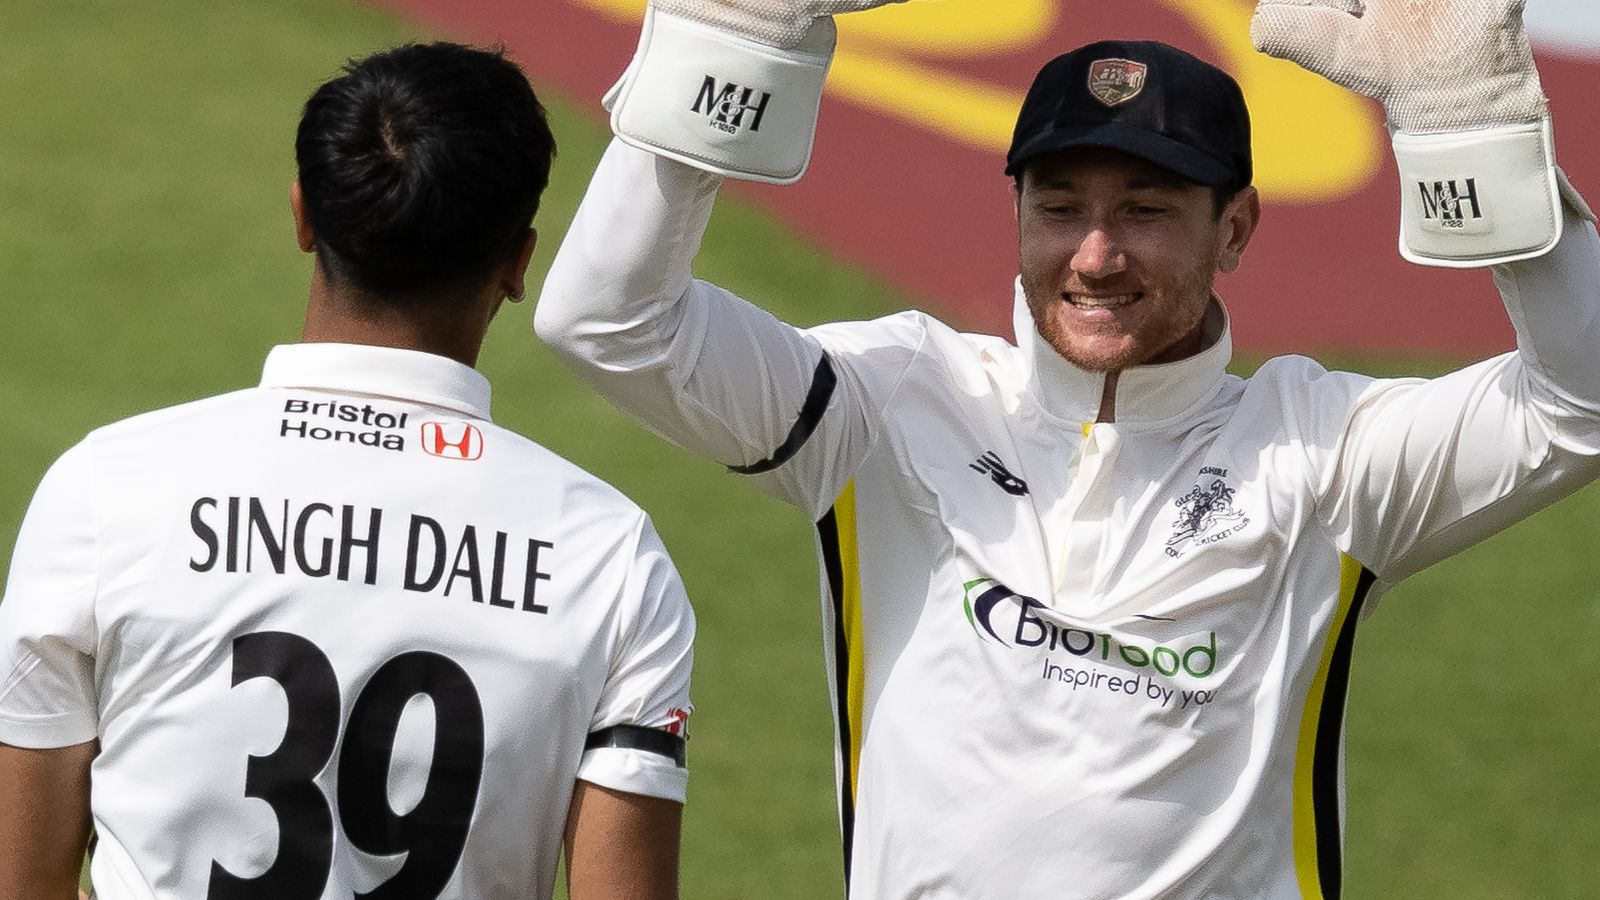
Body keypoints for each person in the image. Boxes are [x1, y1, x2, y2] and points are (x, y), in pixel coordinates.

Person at [534, 0, 1600, 896]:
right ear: (1016, 213)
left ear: (1235, 229)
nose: (1094, 256)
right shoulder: (893, 399)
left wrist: (1474, 131)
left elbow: (1580, 399)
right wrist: (725, 44)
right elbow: (608, 321)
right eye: (1058, 208)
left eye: (1144, 209)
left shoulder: (1324, 452)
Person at [0, 42, 694, 900]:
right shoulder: (612, 558)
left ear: (302, 216)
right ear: (518, 262)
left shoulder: (104, 490)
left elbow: (21, 880)